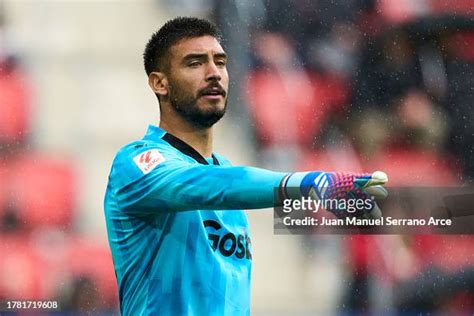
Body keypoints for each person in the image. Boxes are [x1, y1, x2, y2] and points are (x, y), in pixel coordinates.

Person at [104, 16, 388, 316]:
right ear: (160, 83)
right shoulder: (135, 164)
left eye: (221, 62)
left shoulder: (226, 174)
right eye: (194, 63)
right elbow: (207, 186)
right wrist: (304, 184)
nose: (214, 73)